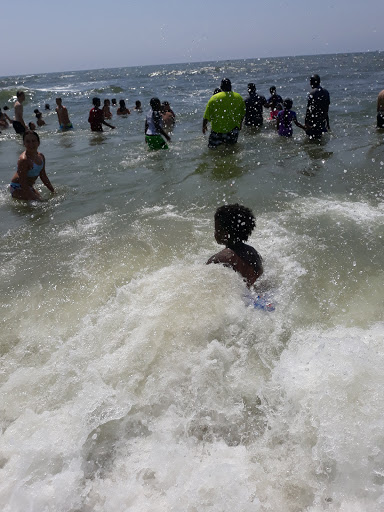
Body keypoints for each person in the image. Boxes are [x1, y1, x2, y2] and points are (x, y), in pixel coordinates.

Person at [207, 204, 263, 287]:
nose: (215, 233)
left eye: (217, 229)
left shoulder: (219, 258)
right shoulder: (254, 253)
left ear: (225, 234)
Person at [9, 130, 55, 201]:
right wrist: (31, 196)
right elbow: (22, 182)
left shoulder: (41, 157)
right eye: (28, 141)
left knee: (43, 200)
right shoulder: (24, 160)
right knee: (40, 203)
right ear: (24, 143)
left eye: (33, 141)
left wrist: (53, 191)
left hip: (29, 186)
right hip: (17, 187)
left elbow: (43, 176)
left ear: (38, 143)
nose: (31, 144)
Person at [202, 78, 246, 148]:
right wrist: (240, 124)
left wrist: (204, 126)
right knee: (231, 149)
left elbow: (206, 115)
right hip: (233, 129)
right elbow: (243, 113)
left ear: (221, 87)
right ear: (231, 86)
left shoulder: (214, 98)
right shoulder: (239, 97)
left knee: (212, 150)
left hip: (217, 130)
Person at [305, 74, 330, 139]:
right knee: (320, 139)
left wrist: (306, 123)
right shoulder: (326, 92)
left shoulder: (312, 93)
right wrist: (328, 123)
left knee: (311, 141)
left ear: (311, 82)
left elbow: (309, 109)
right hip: (322, 120)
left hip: (313, 120)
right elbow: (326, 109)